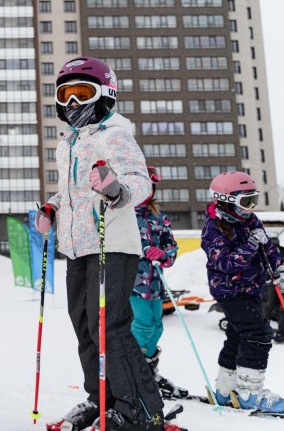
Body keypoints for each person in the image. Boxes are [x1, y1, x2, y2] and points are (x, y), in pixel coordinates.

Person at [35, 57, 165, 431]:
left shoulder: (115, 135)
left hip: (113, 245)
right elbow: (70, 193)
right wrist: (52, 208)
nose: (74, 103)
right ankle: (102, 396)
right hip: (76, 247)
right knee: (85, 327)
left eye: (83, 93)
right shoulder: (67, 145)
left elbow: (139, 182)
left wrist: (116, 189)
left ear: (106, 95)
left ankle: (140, 407)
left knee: (111, 327)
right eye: (66, 94)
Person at [202, 171, 284, 413]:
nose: (251, 207)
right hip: (230, 292)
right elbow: (227, 264)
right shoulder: (213, 228)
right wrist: (250, 244)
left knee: (238, 336)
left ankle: (225, 390)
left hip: (251, 290)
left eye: (254, 200)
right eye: (245, 201)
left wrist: (282, 270)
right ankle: (250, 393)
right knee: (258, 335)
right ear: (226, 201)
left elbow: (270, 250)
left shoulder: (250, 221)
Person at [130, 166, 186, 399]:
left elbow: (171, 246)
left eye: (150, 187)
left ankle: (148, 371)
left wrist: (163, 254)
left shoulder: (157, 216)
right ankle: (133, 373)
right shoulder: (122, 214)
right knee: (142, 327)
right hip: (132, 283)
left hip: (154, 284)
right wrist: (144, 250)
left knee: (156, 326)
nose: (146, 192)